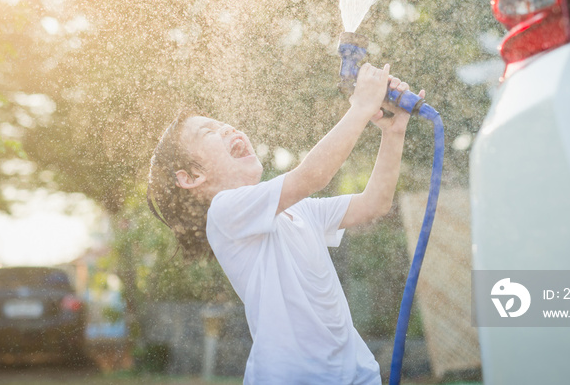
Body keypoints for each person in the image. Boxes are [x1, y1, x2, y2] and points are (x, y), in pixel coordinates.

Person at [147, 63, 424, 384]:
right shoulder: (223, 213)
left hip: (356, 376)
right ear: (191, 177)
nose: (227, 129)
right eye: (209, 131)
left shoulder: (299, 211)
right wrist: (362, 106)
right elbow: (312, 176)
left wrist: (393, 132)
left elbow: (374, 204)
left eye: (223, 123)